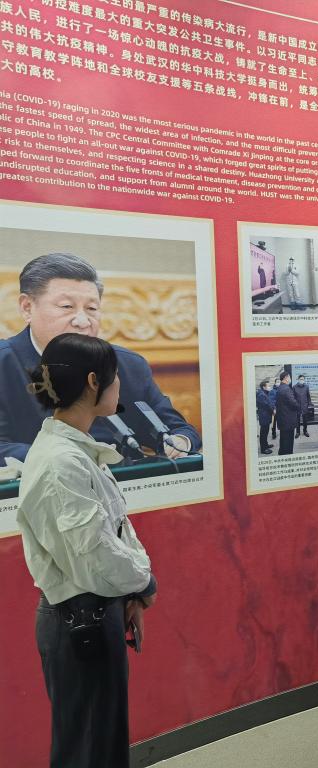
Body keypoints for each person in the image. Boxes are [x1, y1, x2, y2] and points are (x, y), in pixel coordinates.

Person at [17, 333, 158, 768]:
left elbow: (114, 528)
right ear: (94, 381)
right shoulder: (62, 462)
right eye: (115, 377)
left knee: (103, 740)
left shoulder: (77, 449)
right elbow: (95, 554)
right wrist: (144, 582)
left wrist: (132, 590)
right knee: (87, 748)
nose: (121, 385)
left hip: (97, 610)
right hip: (80, 619)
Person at [0, 253, 200, 464]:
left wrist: (179, 442)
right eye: (66, 306)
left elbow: (179, 430)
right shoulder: (4, 364)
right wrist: (74, 457)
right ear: (27, 307)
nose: (82, 321)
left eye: (91, 308)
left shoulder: (128, 365)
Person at [275, 372, 300, 456]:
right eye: (289, 377)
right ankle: (287, 456)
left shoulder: (280, 387)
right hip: (288, 419)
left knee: (283, 439)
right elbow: (293, 403)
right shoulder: (286, 389)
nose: (290, 379)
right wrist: (298, 406)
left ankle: (282, 453)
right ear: (286, 378)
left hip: (283, 418)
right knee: (288, 441)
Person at [256, 379, 274, 455]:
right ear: (264, 387)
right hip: (264, 416)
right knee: (263, 433)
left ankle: (266, 445)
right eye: (268, 386)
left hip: (266, 415)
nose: (270, 387)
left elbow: (269, 403)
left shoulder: (264, 393)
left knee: (266, 432)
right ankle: (263, 449)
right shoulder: (261, 395)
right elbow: (266, 405)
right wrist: (273, 411)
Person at [292, 374, 311, 438]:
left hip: (304, 405)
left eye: (303, 379)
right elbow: (293, 397)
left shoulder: (306, 387)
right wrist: (294, 404)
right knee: (297, 420)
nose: (302, 380)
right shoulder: (294, 387)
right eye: (300, 379)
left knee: (305, 420)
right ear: (298, 379)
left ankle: (305, 431)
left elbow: (308, 396)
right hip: (297, 406)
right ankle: (297, 432)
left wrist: (309, 403)